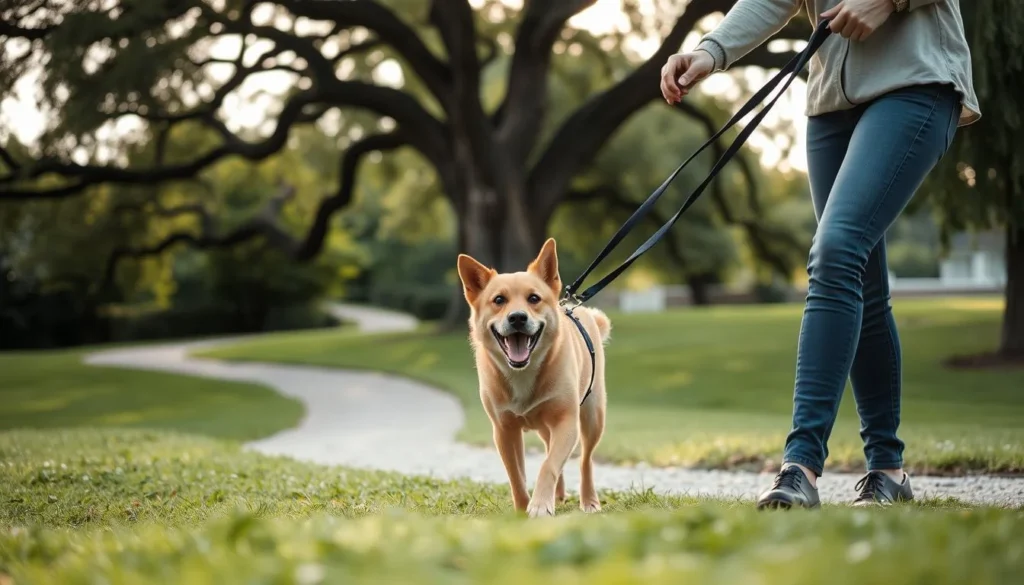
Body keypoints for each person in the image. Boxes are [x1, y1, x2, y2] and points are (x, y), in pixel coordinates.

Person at [660, 0, 980, 508]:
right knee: (861, 282)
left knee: (834, 252)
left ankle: (801, 466)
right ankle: (889, 470)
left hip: (915, 84)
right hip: (830, 103)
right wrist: (710, 51)